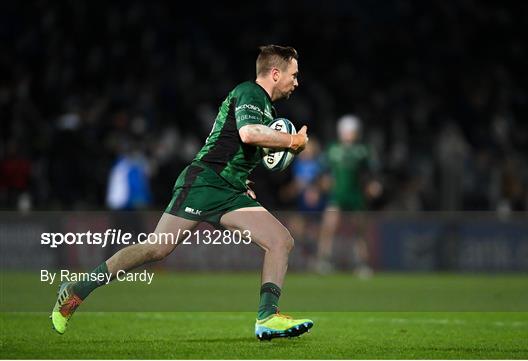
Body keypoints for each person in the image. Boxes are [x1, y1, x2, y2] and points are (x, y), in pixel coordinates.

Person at [51, 45, 313, 340]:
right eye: (294, 74)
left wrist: (242, 181)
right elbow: (248, 134)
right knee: (156, 248)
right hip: (203, 184)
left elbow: (230, 145)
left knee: (280, 240)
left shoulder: (265, 107)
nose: (297, 81)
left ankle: (267, 317)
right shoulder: (251, 93)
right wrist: (292, 140)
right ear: (275, 74)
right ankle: (77, 290)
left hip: (227, 189)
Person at [316, 114, 380, 277]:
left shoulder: (363, 150)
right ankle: (323, 260)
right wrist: (322, 183)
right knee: (329, 227)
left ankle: (362, 263)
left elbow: (371, 172)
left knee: (360, 230)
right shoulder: (333, 149)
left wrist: (373, 185)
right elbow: (323, 170)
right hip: (337, 195)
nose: (349, 134)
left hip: (356, 195)